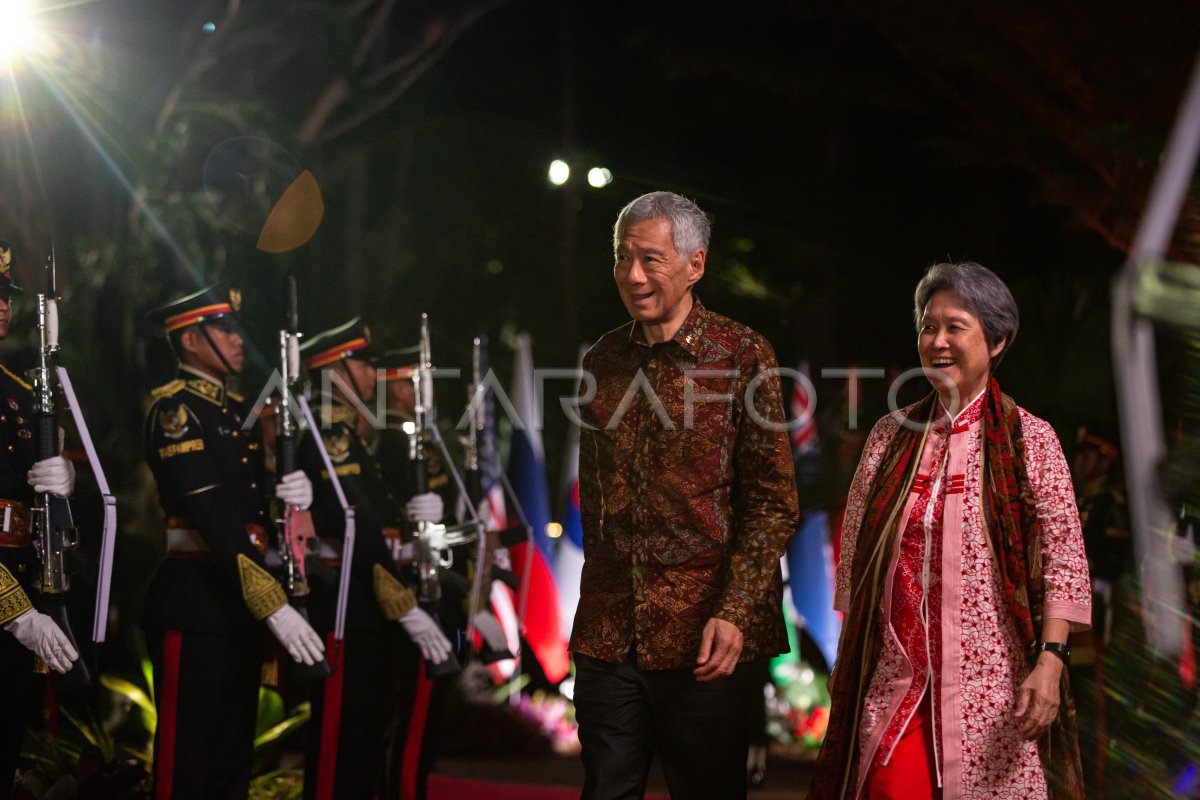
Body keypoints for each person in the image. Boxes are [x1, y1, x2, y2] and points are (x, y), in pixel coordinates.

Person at [808, 262, 1091, 800]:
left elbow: (1064, 563)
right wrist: (851, 658)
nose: (937, 341)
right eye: (926, 327)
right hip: (898, 685)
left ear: (997, 339)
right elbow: (855, 558)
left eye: (954, 326)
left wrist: (1051, 663)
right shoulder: (891, 436)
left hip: (997, 698)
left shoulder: (1030, 439)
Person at [570, 191, 800, 800]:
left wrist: (736, 610)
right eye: (623, 258)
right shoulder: (604, 358)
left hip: (706, 639)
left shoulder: (744, 356)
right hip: (609, 632)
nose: (633, 275)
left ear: (695, 264)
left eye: (651, 258)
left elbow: (774, 501)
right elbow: (591, 493)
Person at [142, 285, 325, 800]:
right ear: (193, 340)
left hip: (237, 607)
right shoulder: (177, 412)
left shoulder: (236, 415)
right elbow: (212, 516)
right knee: (188, 762)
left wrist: (292, 491)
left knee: (231, 763)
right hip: (196, 599)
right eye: (225, 329)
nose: (238, 339)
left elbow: (251, 508)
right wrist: (271, 602)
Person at [296, 319, 452, 800]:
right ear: (335, 371)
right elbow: (357, 528)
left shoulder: (352, 437)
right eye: (361, 363)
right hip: (345, 604)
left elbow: (377, 520)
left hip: (365, 606)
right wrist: (403, 604)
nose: (371, 373)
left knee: (361, 747)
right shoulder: (331, 434)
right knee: (339, 751)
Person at [0, 239, 80, 798]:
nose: (4, 305)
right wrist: (17, 614)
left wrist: (65, 484)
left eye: (6, 295)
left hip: (23, 594)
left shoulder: (21, 394)